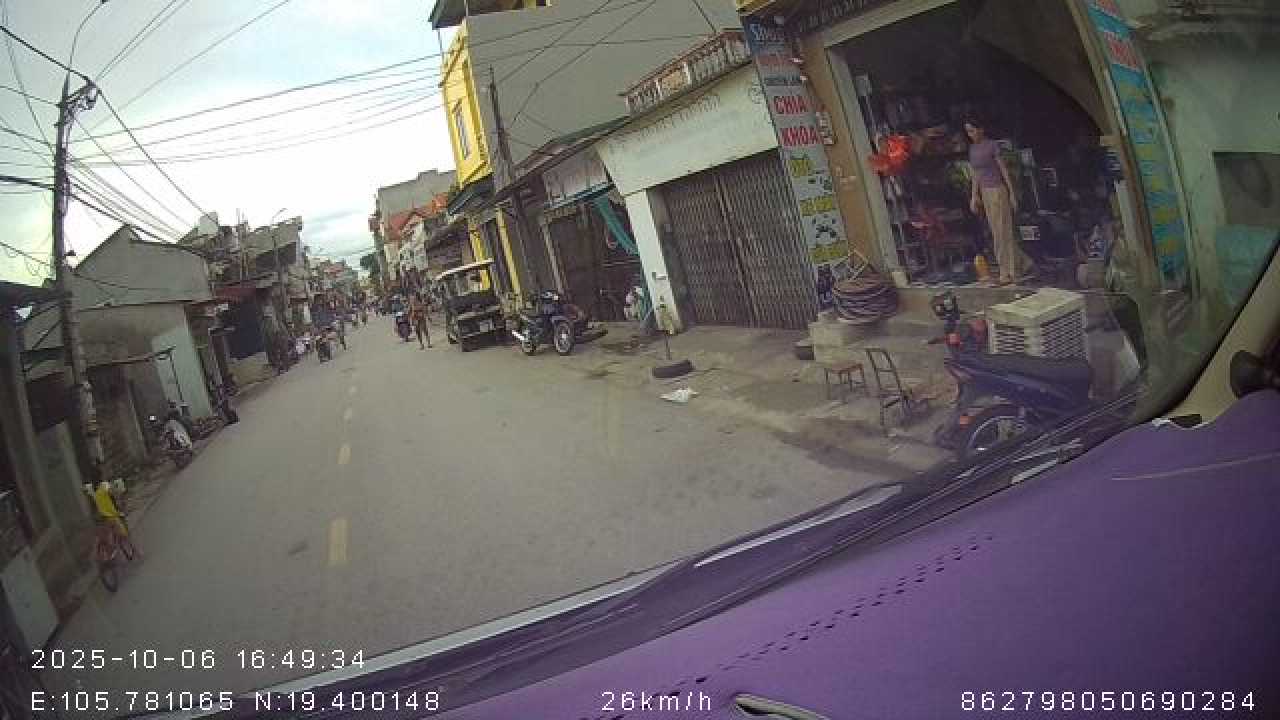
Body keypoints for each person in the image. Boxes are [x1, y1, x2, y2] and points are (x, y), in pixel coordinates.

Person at [965, 117, 1033, 286]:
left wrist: (1011, 193)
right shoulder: (972, 149)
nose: (970, 134)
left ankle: (1008, 271)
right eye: (968, 131)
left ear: (980, 129)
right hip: (985, 193)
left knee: (1003, 232)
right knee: (997, 231)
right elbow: (975, 174)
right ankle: (1024, 263)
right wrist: (974, 196)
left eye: (972, 130)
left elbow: (1003, 169)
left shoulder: (992, 145)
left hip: (997, 190)